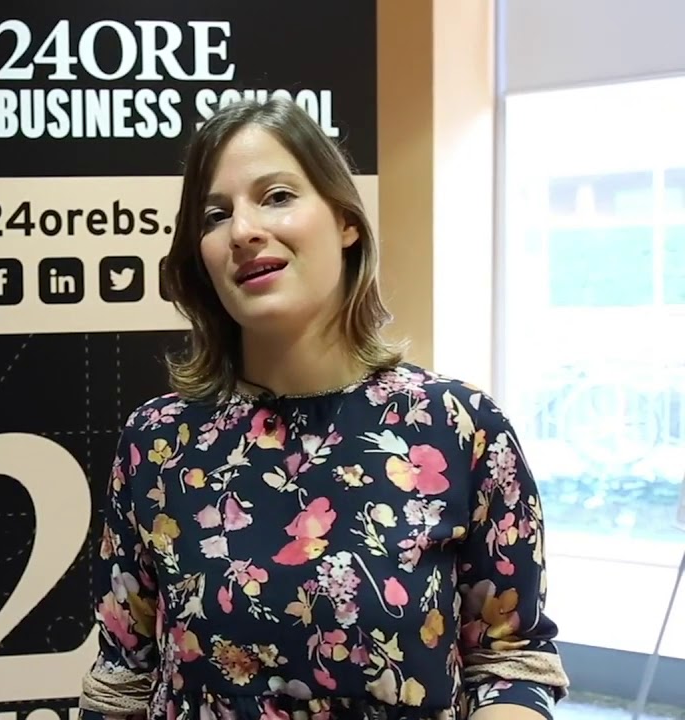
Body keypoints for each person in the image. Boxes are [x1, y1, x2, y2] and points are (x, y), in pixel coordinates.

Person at [78, 97, 569, 720]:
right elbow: (123, 676)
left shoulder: (459, 427)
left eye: (277, 196)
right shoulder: (157, 442)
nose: (243, 230)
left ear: (345, 222)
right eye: (215, 215)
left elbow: (510, 660)